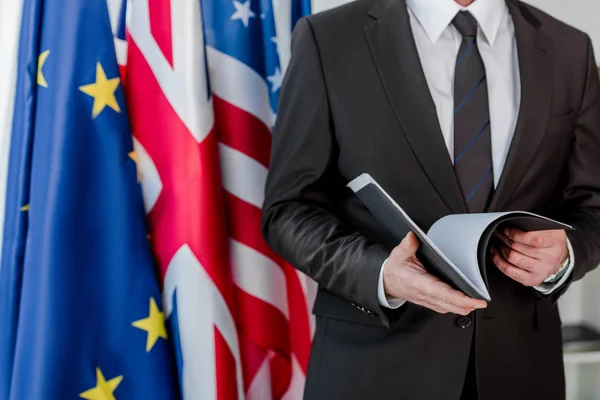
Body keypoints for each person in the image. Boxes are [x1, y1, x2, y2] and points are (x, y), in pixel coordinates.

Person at [261, 0, 600, 398]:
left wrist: (565, 256)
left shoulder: (569, 48)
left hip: (520, 369)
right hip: (373, 369)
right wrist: (379, 273)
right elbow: (288, 211)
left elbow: (591, 204)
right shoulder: (330, 39)